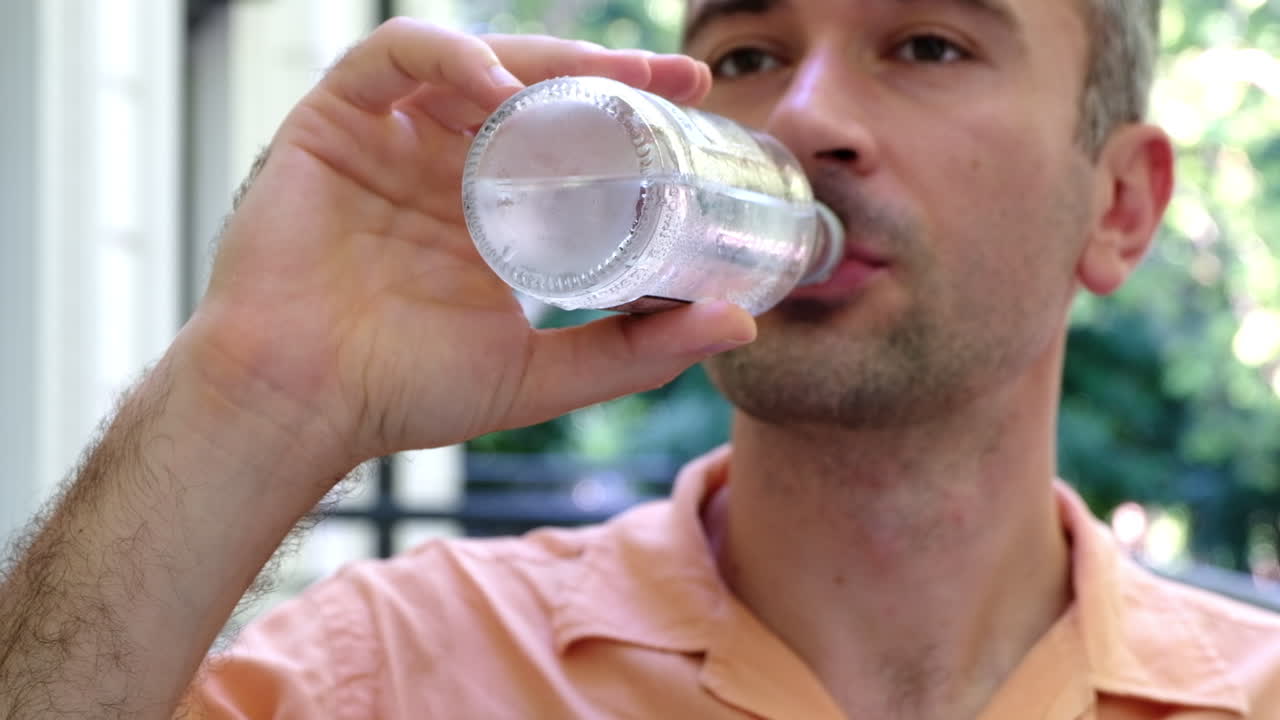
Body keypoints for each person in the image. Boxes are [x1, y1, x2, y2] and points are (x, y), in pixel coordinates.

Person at [2, 0, 1278, 717]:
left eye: (927, 44)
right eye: (746, 56)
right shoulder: (394, 674)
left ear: (1118, 204)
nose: (803, 118)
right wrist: (251, 391)